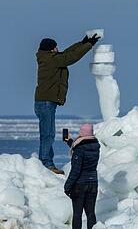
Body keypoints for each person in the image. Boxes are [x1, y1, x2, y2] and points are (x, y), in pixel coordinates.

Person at [35, 34, 100, 174]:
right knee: (48, 135)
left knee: (46, 134)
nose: (58, 48)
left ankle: (45, 162)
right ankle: (46, 163)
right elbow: (70, 57)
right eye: (55, 47)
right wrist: (89, 45)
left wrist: (82, 42)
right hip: (46, 103)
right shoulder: (51, 60)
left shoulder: (48, 58)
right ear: (51, 50)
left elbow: (67, 53)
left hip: (44, 102)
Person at [64, 123, 100, 229]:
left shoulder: (79, 149)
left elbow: (75, 170)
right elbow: (81, 147)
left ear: (82, 133)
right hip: (93, 183)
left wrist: (67, 186)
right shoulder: (96, 146)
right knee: (91, 213)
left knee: (77, 214)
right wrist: (69, 141)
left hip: (80, 185)